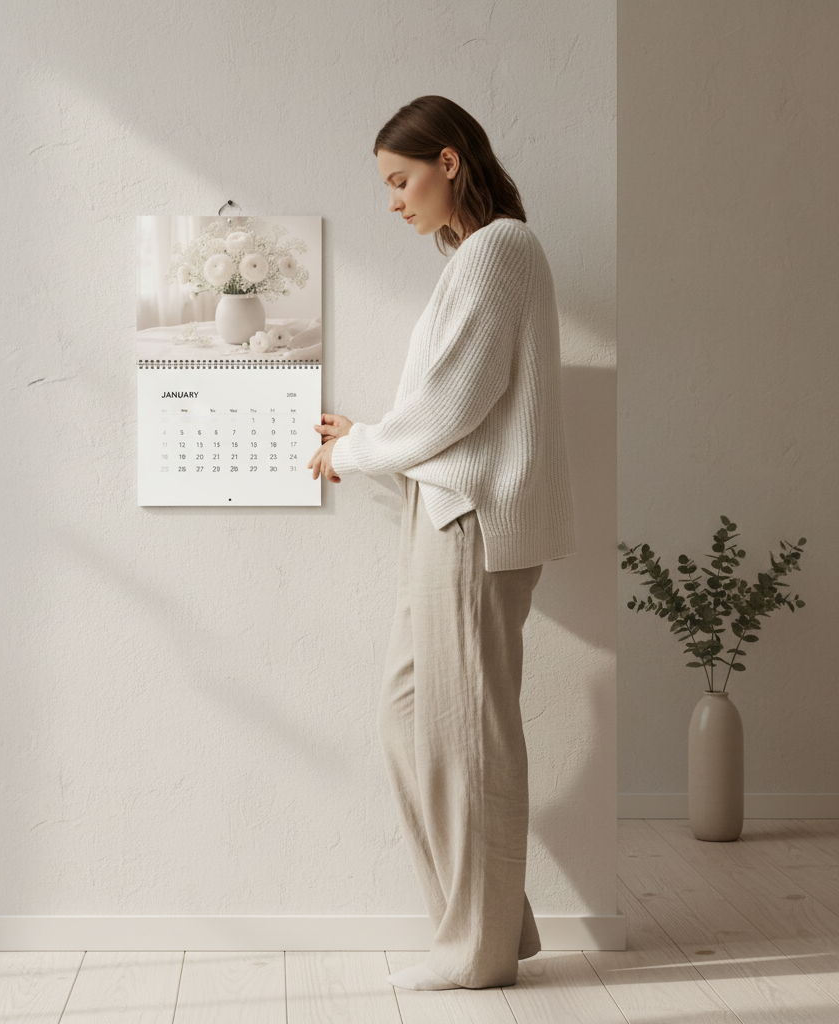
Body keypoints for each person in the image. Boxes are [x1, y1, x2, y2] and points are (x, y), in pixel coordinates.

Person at [306, 95, 577, 991]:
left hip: (469, 522)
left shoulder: (499, 249)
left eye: (400, 179)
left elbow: (453, 411)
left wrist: (353, 448)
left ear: (449, 161)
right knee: (411, 721)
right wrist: (376, 432)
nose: (392, 201)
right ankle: (497, 926)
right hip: (448, 512)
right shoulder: (478, 257)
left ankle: (478, 953)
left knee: (469, 739)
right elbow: (454, 410)